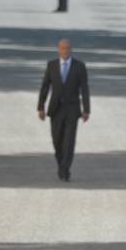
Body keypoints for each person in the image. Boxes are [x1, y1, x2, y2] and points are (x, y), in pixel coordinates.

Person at [37, 39, 90, 182]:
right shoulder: (52, 65)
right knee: (57, 140)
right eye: (62, 48)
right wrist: (41, 107)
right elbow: (45, 87)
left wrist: (86, 109)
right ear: (58, 49)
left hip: (72, 109)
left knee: (69, 141)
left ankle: (65, 169)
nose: (65, 51)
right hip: (56, 109)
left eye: (67, 48)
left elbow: (84, 89)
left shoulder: (79, 66)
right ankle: (61, 164)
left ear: (71, 49)